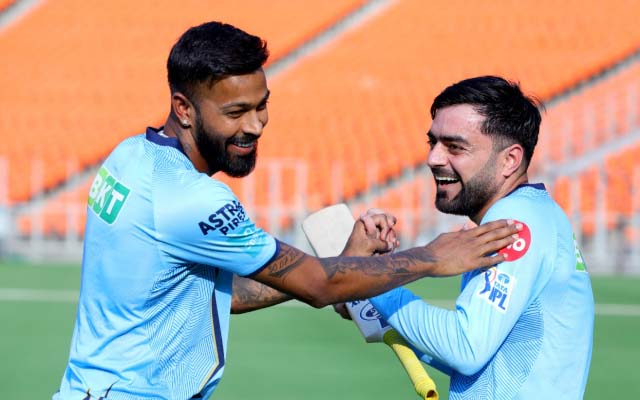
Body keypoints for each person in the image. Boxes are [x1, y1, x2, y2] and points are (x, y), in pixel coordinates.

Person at [52, 23, 520, 400]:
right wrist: (432, 258)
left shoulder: (129, 156)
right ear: (184, 107)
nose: (255, 125)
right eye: (235, 112)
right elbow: (319, 286)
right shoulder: (193, 198)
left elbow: (223, 295)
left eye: (262, 106)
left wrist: (344, 256)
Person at [355, 76, 594, 398]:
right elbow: (487, 364)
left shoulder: (514, 223)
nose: (433, 158)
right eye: (433, 143)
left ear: (509, 160)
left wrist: (369, 278)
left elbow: (464, 348)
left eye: (454, 146)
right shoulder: (532, 214)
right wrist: (373, 301)